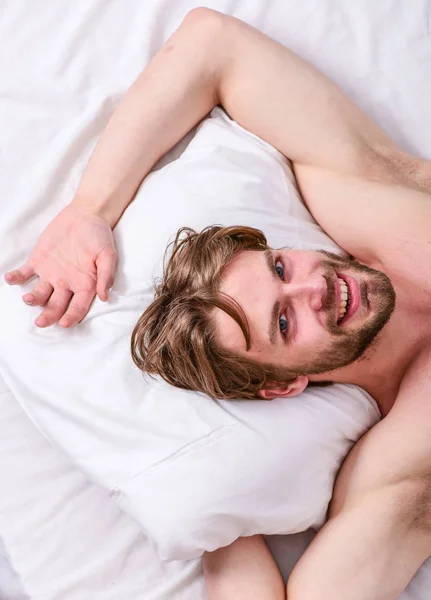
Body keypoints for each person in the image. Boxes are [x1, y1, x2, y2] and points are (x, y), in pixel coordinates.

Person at [5, 8, 431, 599]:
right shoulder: (405, 467)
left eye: (281, 266)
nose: (314, 288)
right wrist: (224, 527)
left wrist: (89, 211)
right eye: (284, 321)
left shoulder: (365, 188)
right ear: (282, 387)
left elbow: (212, 44)